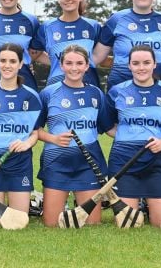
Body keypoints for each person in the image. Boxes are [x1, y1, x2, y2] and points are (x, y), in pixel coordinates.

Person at [104, 45, 161, 228]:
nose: (141, 68)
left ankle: (154, 207)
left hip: (158, 159)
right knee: (128, 225)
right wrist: (129, 137)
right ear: (129, 66)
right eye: (136, 63)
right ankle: (139, 203)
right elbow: (108, 126)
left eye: (146, 63)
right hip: (125, 161)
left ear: (154, 64)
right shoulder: (117, 91)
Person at [37, 45, 110, 227]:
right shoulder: (48, 93)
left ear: (87, 66)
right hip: (56, 163)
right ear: (61, 65)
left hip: (89, 164)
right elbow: (34, 130)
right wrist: (53, 139)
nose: (74, 68)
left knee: (92, 224)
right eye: (69, 63)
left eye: (79, 63)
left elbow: (107, 127)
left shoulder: (96, 93)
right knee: (52, 224)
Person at [0, 43, 42, 225]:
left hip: (19, 161)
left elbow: (35, 132)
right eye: (3, 60)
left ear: (21, 64)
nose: (7, 65)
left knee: (19, 220)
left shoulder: (31, 96)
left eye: (13, 61)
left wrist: (27, 144)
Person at [93, 0, 161, 88]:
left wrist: (157, 71)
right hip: (121, 87)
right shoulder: (117, 19)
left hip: (158, 87)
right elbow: (97, 56)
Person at [34, 0, 101, 87]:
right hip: (56, 87)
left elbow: (98, 56)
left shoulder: (93, 26)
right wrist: (59, 62)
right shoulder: (46, 27)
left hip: (88, 86)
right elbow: (33, 54)